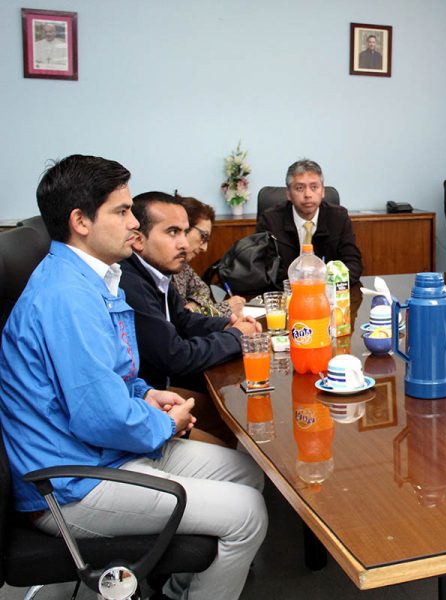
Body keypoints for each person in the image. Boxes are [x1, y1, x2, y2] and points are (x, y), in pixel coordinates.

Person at [0, 154, 267, 600]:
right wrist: (167, 422)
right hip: (70, 484)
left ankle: (183, 589)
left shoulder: (94, 279)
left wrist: (148, 394)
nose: (134, 224)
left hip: (100, 452)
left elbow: (115, 374)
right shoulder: (68, 297)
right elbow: (100, 417)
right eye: (121, 212)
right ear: (81, 221)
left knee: (246, 472)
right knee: (248, 512)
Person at [120, 191, 261, 445]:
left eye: (185, 232)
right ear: (138, 240)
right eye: (172, 232)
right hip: (150, 402)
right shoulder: (131, 284)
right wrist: (236, 336)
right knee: (233, 431)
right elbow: (176, 357)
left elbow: (185, 320)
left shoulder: (156, 274)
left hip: (160, 391)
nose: (185, 243)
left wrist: (227, 323)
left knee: (230, 415)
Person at [257, 158, 363, 284]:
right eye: (300, 188)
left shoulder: (338, 218)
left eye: (314, 187)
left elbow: (353, 264)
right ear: (289, 194)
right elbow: (264, 268)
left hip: (328, 294)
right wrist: (304, 285)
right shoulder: (270, 220)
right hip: (287, 295)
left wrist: (324, 285)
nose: (308, 194)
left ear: (322, 191)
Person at [171, 195, 246, 317]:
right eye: (203, 237)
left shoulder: (182, 264)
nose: (204, 248)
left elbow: (202, 290)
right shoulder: (162, 265)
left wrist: (193, 305)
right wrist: (225, 309)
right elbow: (179, 321)